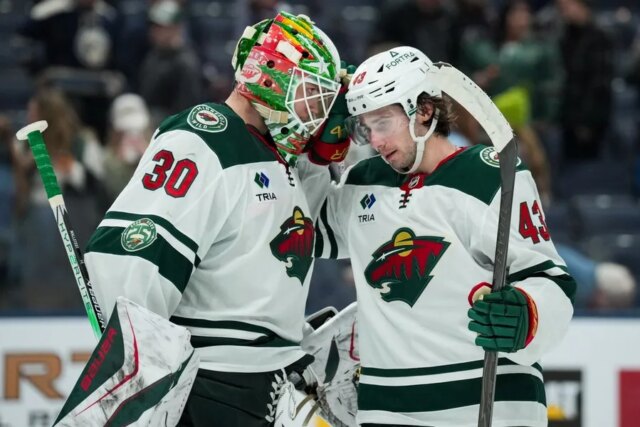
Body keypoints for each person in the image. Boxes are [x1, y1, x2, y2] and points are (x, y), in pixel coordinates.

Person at [83, 11, 348, 426]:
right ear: (271, 78)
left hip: (274, 380)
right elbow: (127, 258)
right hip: (212, 384)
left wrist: (321, 161)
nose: (319, 110)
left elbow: (330, 234)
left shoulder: (285, 157)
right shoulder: (203, 137)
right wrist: (147, 373)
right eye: (312, 93)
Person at [314, 46, 577, 426]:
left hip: (490, 405)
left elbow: (551, 280)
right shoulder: (361, 182)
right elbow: (302, 231)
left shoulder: (488, 176)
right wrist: (313, 154)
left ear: (424, 110)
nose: (376, 141)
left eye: (383, 123)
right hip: (386, 409)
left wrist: (528, 314)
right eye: (366, 128)